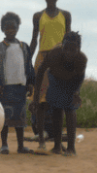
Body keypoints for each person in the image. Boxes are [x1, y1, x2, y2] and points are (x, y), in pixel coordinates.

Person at [32, 31, 86, 156]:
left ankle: (71, 148)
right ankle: (57, 146)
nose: (68, 52)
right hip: (55, 77)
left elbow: (79, 78)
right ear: (62, 45)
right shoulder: (54, 54)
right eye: (66, 48)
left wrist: (75, 93)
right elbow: (40, 72)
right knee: (56, 108)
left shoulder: (79, 60)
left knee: (69, 108)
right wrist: (36, 97)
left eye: (72, 49)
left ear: (78, 49)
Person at [0, 12, 35, 154]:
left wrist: (30, 82)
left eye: (13, 27)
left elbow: (29, 65)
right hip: (5, 88)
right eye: (7, 27)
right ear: (2, 29)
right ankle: (4, 145)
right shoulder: (0, 47)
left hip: (20, 88)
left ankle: (21, 146)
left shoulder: (24, 46)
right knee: (4, 118)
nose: (10, 30)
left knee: (20, 119)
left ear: (17, 28)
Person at [28, 0, 71, 142]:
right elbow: (34, 40)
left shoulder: (65, 15)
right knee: (39, 95)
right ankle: (40, 130)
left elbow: (69, 40)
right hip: (43, 58)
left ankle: (56, 130)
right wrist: (27, 60)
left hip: (59, 57)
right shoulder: (38, 16)